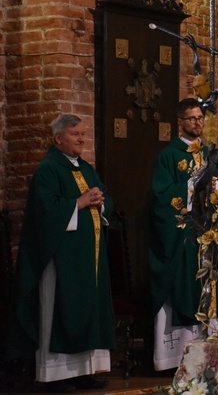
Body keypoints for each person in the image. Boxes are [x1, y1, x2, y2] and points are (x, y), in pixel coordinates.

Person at [6, 114, 114, 393]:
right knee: (61, 310)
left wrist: (101, 201)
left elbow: (102, 197)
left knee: (87, 310)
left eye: (83, 134)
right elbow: (43, 212)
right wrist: (78, 202)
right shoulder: (48, 169)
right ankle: (57, 376)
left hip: (88, 259)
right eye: (75, 134)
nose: (81, 139)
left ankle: (85, 372)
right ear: (58, 138)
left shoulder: (85, 168)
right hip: (61, 258)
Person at [149, 98, 218, 371]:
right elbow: (161, 196)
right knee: (186, 285)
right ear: (180, 122)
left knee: (210, 288)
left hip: (209, 234)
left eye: (200, 118)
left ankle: (211, 355)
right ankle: (178, 360)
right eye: (192, 118)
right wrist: (193, 186)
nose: (198, 122)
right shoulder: (169, 155)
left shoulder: (210, 153)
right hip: (184, 237)